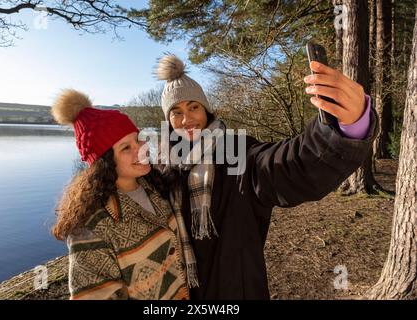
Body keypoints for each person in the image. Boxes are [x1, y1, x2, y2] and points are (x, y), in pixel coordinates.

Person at [154, 54, 379, 299]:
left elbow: (287, 164)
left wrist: (343, 129)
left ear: (207, 111)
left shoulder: (238, 154)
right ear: (167, 121)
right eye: (176, 112)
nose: (187, 120)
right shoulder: (161, 169)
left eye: (193, 107)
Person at [51, 89, 193, 300]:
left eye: (138, 139)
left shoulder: (156, 187)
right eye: (126, 148)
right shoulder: (92, 227)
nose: (141, 149)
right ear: (105, 162)